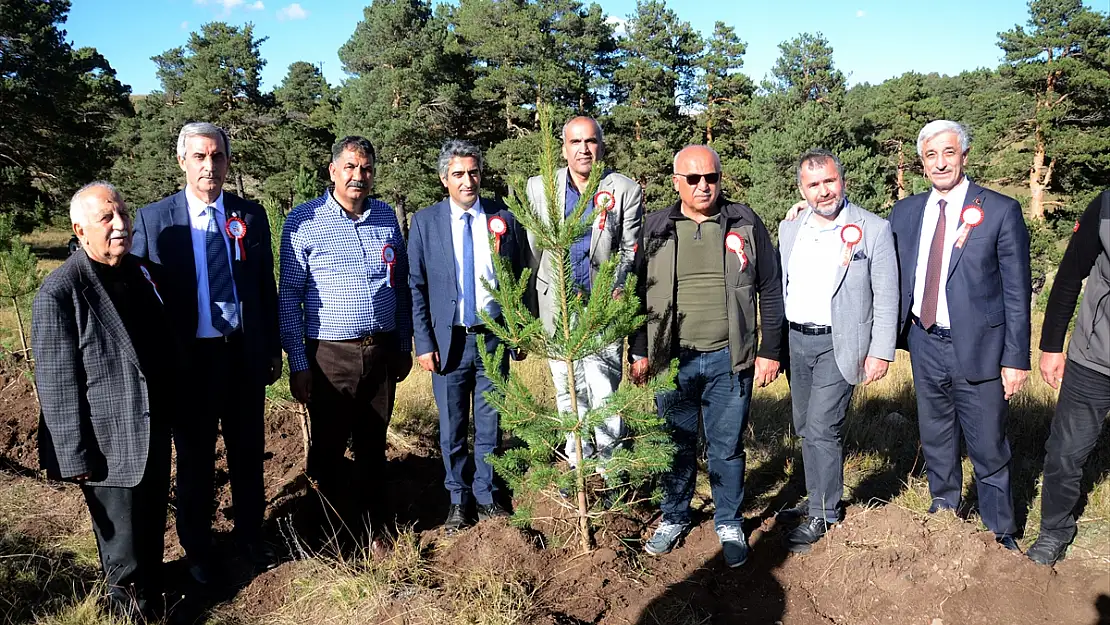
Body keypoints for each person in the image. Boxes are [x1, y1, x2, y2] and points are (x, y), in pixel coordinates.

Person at [132, 122, 282, 583]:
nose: (208, 166)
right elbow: (141, 297)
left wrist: (271, 347)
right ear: (182, 161)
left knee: (247, 452)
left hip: (241, 356)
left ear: (227, 161)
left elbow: (263, 288)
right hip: (188, 362)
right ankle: (198, 549)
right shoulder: (155, 220)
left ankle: (250, 537)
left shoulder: (250, 216)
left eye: (216, 156)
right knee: (195, 460)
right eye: (199, 156)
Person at [630, 145, 785, 568]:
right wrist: (640, 350)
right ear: (676, 182)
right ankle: (675, 516)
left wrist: (771, 349)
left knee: (727, 447)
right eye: (693, 179)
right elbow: (635, 294)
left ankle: (729, 522)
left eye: (711, 178)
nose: (704, 186)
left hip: (729, 360)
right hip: (671, 361)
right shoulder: (655, 227)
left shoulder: (744, 222)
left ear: (720, 178)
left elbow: (771, 287)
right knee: (674, 445)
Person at [35, 182, 176, 621]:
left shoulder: (141, 273)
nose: (120, 226)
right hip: (107, 442)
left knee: (151, 526)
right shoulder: (61, 291)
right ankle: (130, 613)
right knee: (122, 545)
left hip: (151, 428)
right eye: (107, 219)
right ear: (80, 230)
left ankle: (153, 599)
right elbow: (57, 382)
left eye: (124, 215)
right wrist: (74, 455)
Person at [887, 120, 1030, 550]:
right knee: (936, 435)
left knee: (988, 443)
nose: (940, 162)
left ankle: (1000, 531)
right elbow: (870, 246)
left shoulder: (1000, 210)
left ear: (964, 155)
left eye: (948, 152)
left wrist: (1016, 358)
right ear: (922, 163)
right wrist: (806, 210)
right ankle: (944, 509)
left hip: (981, 348)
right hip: (924, 341)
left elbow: (1017, 292)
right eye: (931, 155)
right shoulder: (906, 212)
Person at [279, 136, 412, 542]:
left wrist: (403, 343)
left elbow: (401, 286)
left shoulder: (386, 216)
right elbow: (289, 299)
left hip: (381, 350)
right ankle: (324, 533)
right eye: (351, 167)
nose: (359, 176)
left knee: (374, 445)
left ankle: (375, 529)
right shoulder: (304, 220)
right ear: (333, 170)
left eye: (366, 168)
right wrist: (299, 364)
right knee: (328, 450)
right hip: (329, 357)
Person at [777, 149, 898, 553]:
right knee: (804, 427)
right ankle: (815, 499)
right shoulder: (790, 227)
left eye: (829, 181)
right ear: (802, 190)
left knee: (822, 427)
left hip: (840, 343)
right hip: (797, 341)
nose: (823, 191)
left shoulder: (874, 229)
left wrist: (880, 351)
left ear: (841, 179)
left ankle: (825, 513)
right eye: (813, 185)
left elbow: (887, 295)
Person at [408, 139, 526, 534]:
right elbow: (416, 286)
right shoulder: (425, 222)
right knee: (453, 427)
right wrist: (423, 342)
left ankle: (487, 494)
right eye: (458, 174)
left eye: (473, 172)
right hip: (448, 343)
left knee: (491, 424)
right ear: (445, 179)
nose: (468, 180)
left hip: (493, 336)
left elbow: (520, 276)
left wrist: (518, 330)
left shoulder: (502, 217)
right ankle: (458, 500)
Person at [525, 116, 643, 476]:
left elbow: (630, 249)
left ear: (601, 146)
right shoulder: (537, 187)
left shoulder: (623, 189)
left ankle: (610, 471)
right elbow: (534, 250)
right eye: (575, 142)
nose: (584, 149)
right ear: (563, 149)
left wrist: (616, 287)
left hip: (602, 306)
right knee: (567, 390)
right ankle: (579, 465)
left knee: (604, 391)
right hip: (556, 305)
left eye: (590, 141)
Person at [1027, 189, 1110, 565]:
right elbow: (1069, 275)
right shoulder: (1106, 207)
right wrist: (1051, 346)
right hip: (1093, 358)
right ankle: (1054, 531)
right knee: (1065, 454)